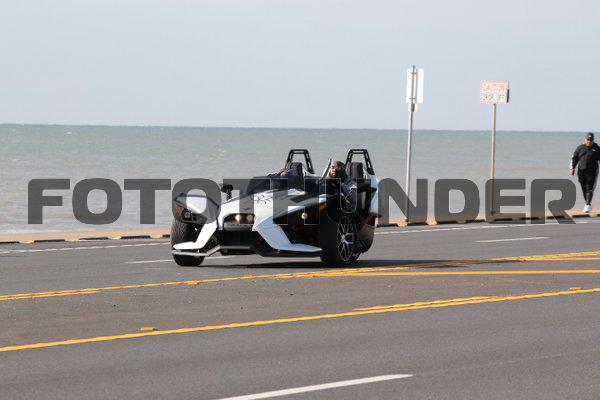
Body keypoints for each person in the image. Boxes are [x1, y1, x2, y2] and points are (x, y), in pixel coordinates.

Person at [570, 132, 600, 212]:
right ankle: (588, 204)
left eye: (591, 140)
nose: (589, 141)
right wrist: (572, 168)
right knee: (584, 188)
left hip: (593, 171)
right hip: (581, 171)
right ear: (585, 139)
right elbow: (574, 158)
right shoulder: (580, 148)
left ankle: (587, 204)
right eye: (588, 140)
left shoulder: (597, 148)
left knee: (589, 188)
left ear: (593, 140)